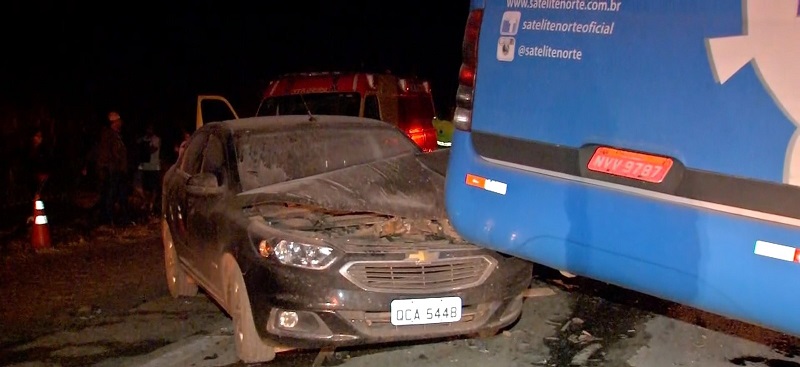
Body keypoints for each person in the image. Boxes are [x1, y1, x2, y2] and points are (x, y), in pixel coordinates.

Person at [92, 111, 130, 227]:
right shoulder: (109, 136)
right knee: (110, 195)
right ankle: (108, 219)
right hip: (112, 170)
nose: (120, 123)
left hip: (116, 170)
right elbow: (109, 154)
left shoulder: (115, 135)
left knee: (116, 195)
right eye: (118, 121)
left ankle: (116, 218)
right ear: (113, 123)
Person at [135, 124, 161, 216]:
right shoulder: (143, 139)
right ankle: (146, 202)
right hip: (144, 166)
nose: (149, 130)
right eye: (147, 128)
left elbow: (153, 149)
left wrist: (143, 147)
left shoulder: (156, 139)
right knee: (143, 187)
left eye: (150, 128)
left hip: (153, 167)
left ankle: (151, 205)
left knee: (153, 188)